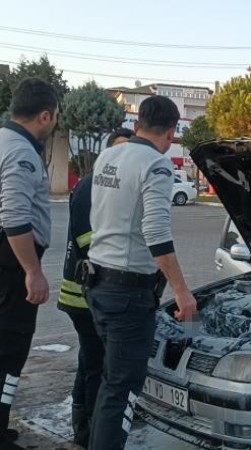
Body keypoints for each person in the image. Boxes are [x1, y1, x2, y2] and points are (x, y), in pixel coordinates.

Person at [85, 96, 197, 450]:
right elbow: (157, 233)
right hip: (128, 295)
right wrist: (181, 291)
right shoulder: (156, 165)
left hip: (98, 284)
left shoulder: (108, 156)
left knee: (109, 384)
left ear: (138, 125)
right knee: (122, 392)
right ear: (170, 131)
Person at [56, 127, 134, 446]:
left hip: (89, 294)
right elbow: (92, 242)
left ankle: (82, 426)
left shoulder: (107, 184)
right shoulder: (93, 185)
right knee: (96, 366)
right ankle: (89, 431)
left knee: (88, 361)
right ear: (107, 152)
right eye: (121, 150)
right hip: (85, 295)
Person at [0, 78, 58, 450]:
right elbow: (15, 217)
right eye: (54, 118)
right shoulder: (21, 151)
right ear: (44, 115)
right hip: (11, 265)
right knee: (10, 348)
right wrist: (32, 272)